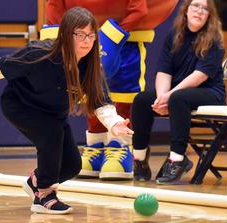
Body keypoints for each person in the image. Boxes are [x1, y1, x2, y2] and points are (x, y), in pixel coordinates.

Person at [0, 7, 133, 214]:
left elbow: (101, 101)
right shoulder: (40, 53)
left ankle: (35, 181)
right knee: (51, 135)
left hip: (54, 113)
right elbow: (4, 65)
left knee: (73, 165)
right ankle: (44, 195)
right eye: (80, 34)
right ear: (65, 34)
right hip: (20, 105)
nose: (86, 40)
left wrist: (115, 123)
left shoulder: (92, 67)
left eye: (91, 35)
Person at [45, 0, 179, 180]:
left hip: (126, 39)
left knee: (124, 93)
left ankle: (120, 147)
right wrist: (61, 35)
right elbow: (55, 5)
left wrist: (115, 33)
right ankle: (96, 145)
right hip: (84, 38)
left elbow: (139, 9)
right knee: (89, 91)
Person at [131, 0, 225, 184]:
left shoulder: (214, 39)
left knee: (178, 98)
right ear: (186, 10)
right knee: (142, 100)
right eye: (195, 6)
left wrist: (170, 96)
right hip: (178, 93)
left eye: (205, 9)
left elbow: (200, 76)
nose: (199, 11)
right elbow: (164, 71)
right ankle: (139, 158)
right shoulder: (174, 35)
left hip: (210, 92)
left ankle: (178, 158)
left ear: (209, 16)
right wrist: (161, 98)